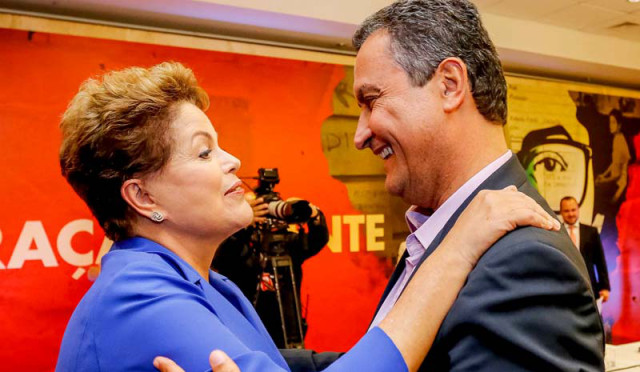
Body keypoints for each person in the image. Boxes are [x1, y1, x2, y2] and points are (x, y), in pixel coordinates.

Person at [55, 61, 558, 372]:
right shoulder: (137, 297)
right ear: (142, 197)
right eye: (204, 152)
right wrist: (458, 247)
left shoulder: (213, 285)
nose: (232, 161)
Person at [212, 193, 329, 347]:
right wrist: (241, 226)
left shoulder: (286, 243)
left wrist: (313, 214)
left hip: (286, 332)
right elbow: (223, 257)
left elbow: (317, 239)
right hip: (246, 331)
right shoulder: (235, 245)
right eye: (255, 208)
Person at [560, 196, 611, 307]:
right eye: (566, 211)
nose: (571, 214)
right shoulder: (557, 233)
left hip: (590, 288)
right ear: (561, 212)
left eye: (573, 210)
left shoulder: (591, 232)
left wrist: (605, 287)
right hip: (564, 289)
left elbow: (600, 261)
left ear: (578, 209)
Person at [596, 109, 631, 203]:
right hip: (616, 184)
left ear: (619, 125)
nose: (610, 125)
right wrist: (604, 174)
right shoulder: (617, 138)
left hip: (621, 189)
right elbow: (614, 162)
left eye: (613, 122)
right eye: (610, 122)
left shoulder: (620, 142)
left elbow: (617, 176)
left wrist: (603, 181)